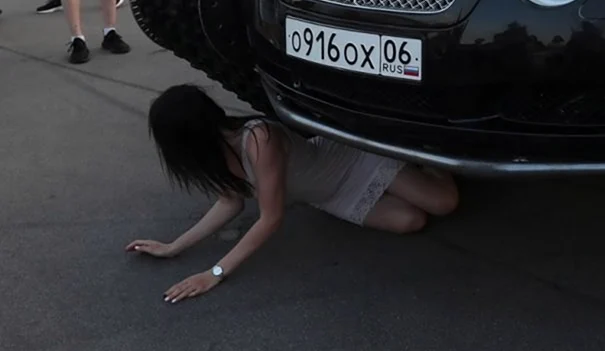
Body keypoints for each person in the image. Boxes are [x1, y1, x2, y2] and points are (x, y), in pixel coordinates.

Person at [126, 84, 459, 302]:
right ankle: (408, 174)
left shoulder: (258, 140)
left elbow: (270, 218)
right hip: (329, 196)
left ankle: (425, 153)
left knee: (445, 202)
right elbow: (230, 202)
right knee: (410, 220)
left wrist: (214, 273)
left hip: (350, 162)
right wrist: (173, 247)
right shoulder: (217, 156)